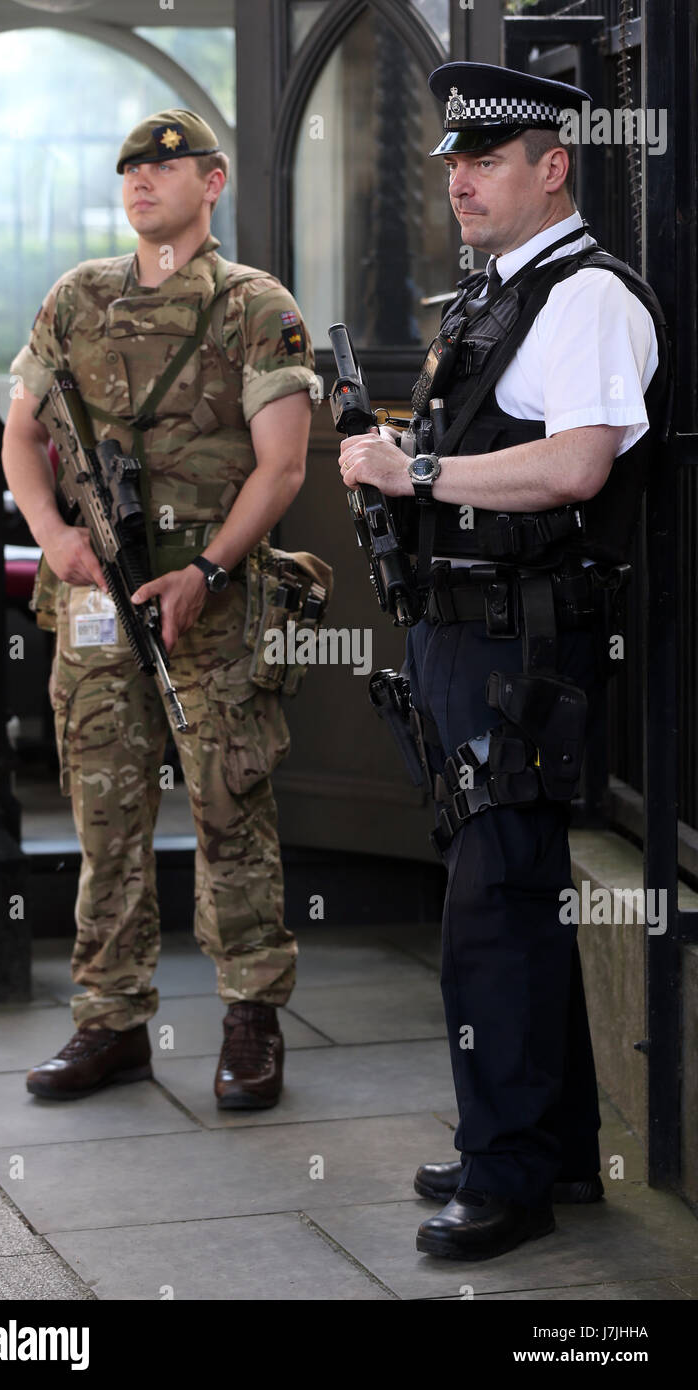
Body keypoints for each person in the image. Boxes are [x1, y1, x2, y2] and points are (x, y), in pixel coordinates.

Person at [338, 63, 670, 1260]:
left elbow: (578, 464)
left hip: (526, 648)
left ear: (553, 167)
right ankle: (548, 1146)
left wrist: (412, 473)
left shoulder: (584, 298)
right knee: (508, 901)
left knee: (494, 912)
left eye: (487, 160)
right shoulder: (497, 295)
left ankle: (509, 1174)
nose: (462, 180)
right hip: (467, 639)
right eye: (453, 164)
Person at [2, 109, 321, 1110]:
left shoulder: (253, 307)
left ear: (212, 182)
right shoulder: (77, 299)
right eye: (131, 167)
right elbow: (19, 436)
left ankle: (250, 1019)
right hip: (97, 606)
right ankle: (110, 1023)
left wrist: (212, 571)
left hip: (211, 605)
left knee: (230, 809)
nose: (142, 179)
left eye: (166, 164)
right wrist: (55, 536)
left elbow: (285, 464)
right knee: (105, 815)